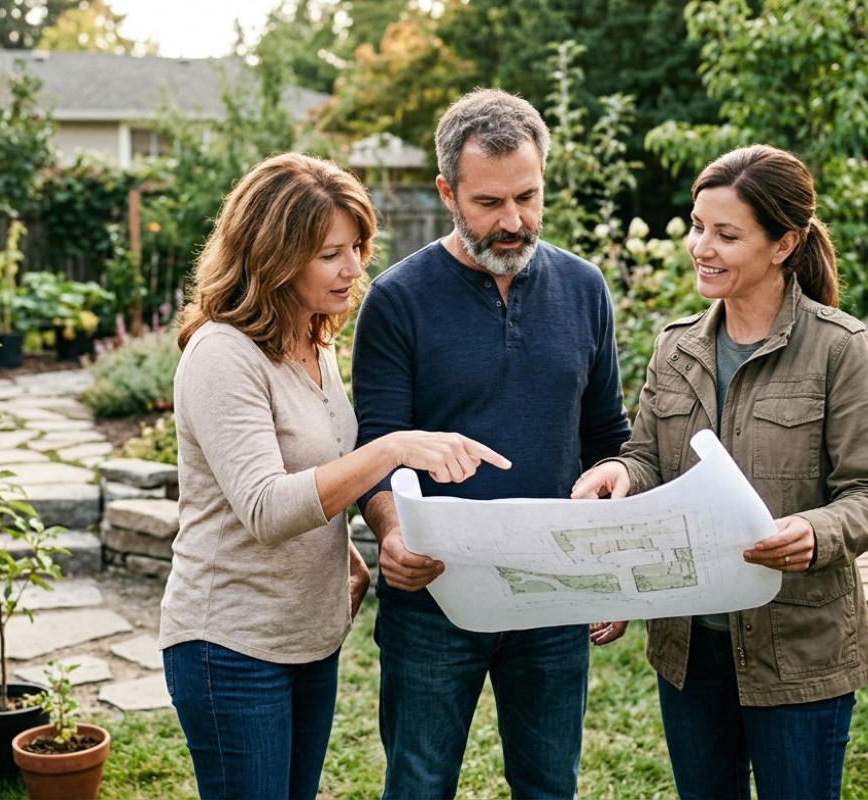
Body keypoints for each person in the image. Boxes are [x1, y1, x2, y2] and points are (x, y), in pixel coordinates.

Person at [160, 152, 510, 800]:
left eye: (356, 247)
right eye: (330, 254)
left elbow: (307, 470)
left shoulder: (312, 341)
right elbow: (264, 507)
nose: (353, 268)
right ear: (273, 255)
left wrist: (343, 550)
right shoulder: (222, 354)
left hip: (306, 637)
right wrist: (393, 449)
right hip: (230, 645)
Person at [571, 144, 868, 799]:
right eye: (697, 227)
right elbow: (646, 456)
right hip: (690, 652)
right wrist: (618, 473)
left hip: (799, 650)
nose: (701, 247)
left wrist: (813, 531)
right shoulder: (677, 345)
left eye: (726, 234)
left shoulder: (840, 349)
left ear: (783, 244)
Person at [352, 89, 633, 799]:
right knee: (418, 785)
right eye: (488, 203)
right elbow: (377, 447)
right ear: (447, 191)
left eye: (528, 196)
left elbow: (609, 439)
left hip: (554, 591)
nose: (513, 222)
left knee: (549, 787)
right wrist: (389, 534)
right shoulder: (396, 299)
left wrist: (615, 558)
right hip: (433, 597)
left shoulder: (585, 288)